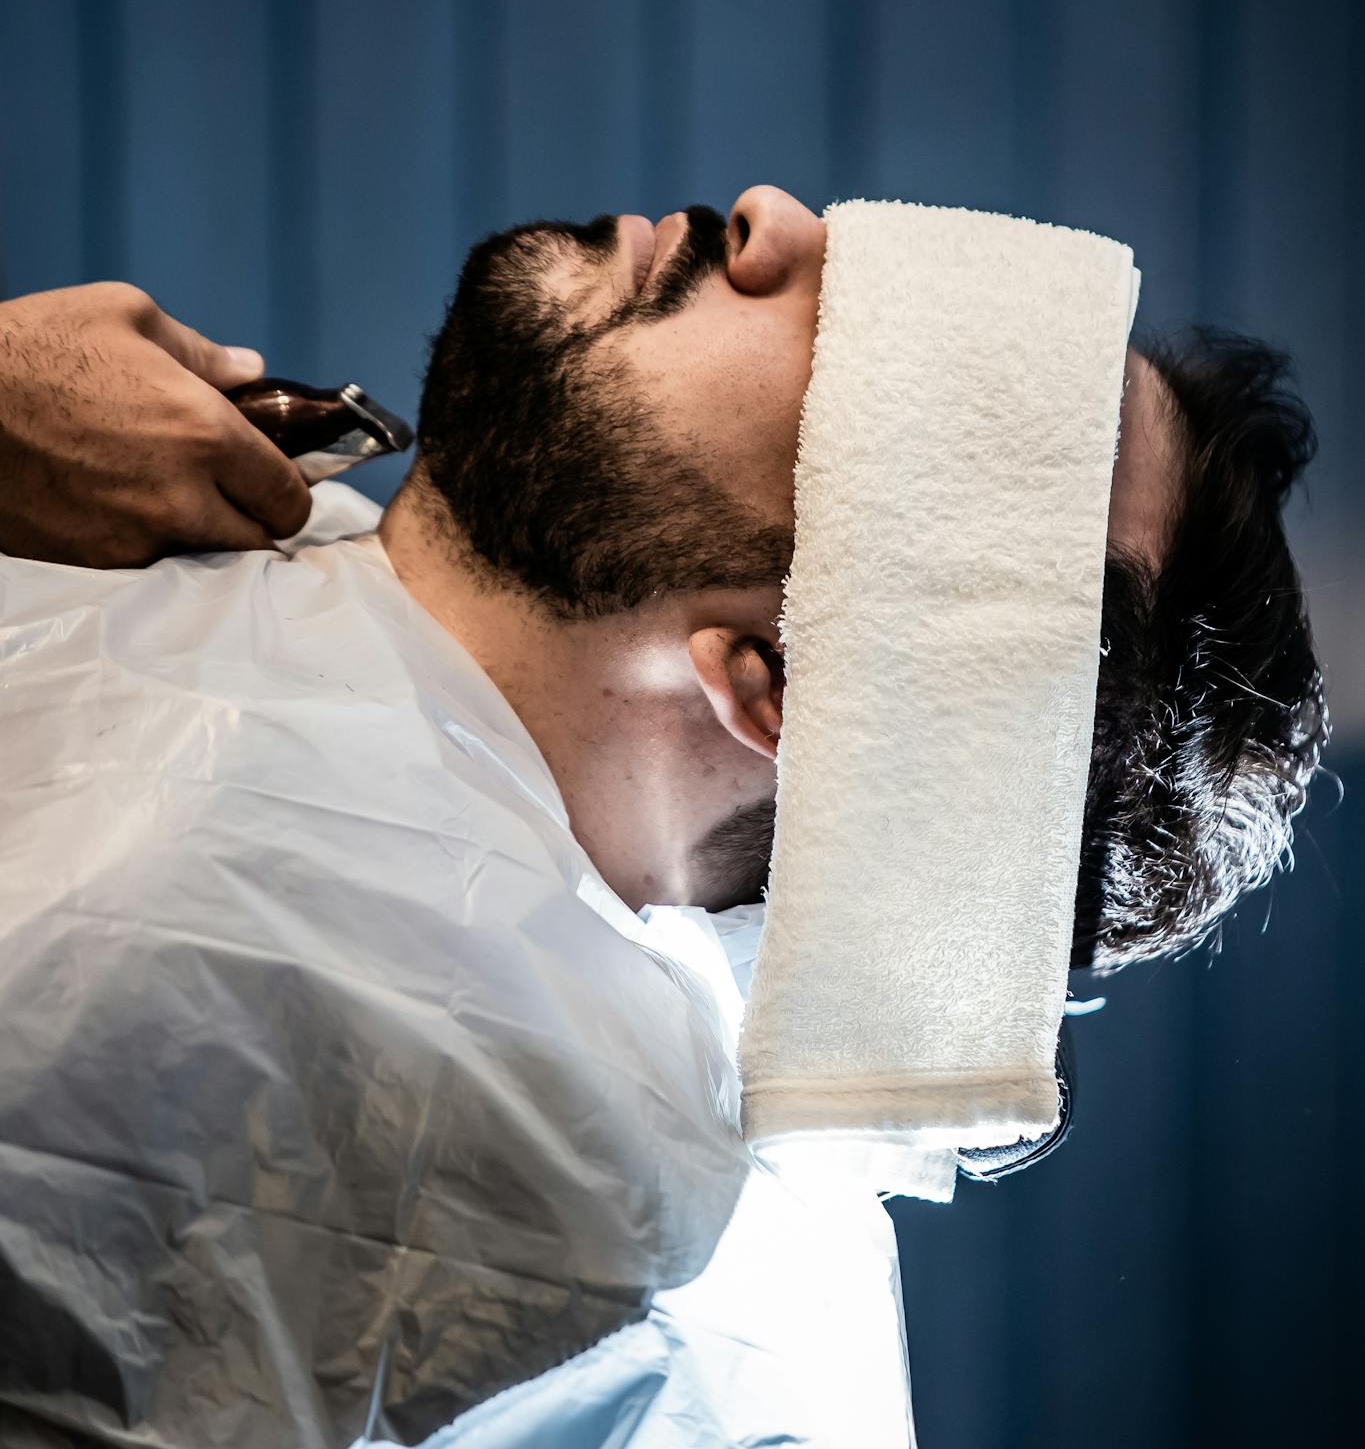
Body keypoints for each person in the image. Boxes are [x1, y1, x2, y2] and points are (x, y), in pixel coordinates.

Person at [0, 186, 1329, 1445]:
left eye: (905, 355)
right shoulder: (235, 550)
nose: (771, 221)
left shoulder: (332, 1058)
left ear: (801, 686)